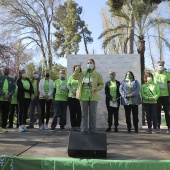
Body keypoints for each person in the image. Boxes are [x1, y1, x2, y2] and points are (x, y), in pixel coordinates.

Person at [72, 58, 104, 133]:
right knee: (84, 114)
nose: (89, 64)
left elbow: (102, 84)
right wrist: (77, 68)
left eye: (91, 63)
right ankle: (84, 130)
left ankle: (92, 130)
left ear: (94, 64)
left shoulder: (98, 75)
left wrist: (97, 88)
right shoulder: (82, 74)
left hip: (94, 97)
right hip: (83, 96)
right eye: (88, 63)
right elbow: (74, 77)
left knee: (92, 115)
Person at [153, 61, 170, 133]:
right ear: (157, 66)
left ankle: (169, 127)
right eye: (159, 65)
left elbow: (169, 85)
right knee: (157, 112)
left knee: (167, 112)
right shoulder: (154, 74)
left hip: (165, 95)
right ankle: (158, 127)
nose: (161, 66)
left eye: (162, 65)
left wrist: (169, 95)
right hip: (157, 96)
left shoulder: (167, 74)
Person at [17, 67, 34, 132]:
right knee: (20, 111)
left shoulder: (28, 80)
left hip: (27, 98)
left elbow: (31, 88)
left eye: (24, 72)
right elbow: (21, 88)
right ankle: (20, 125)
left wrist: (32, 93)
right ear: (20, 73)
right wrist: (29, 91)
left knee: (25, 111)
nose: (24, 73)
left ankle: (24, 125)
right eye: (22, 72)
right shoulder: (19, 80)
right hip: (21, 98)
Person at [0, 66, 15, 132]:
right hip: (0, 99)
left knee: (5, 114)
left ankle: (3, 128)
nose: (7, 70)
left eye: (8, 69)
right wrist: (3, 94)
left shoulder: (11, 80)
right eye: (5, 69)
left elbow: (13, 89)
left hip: (7, 100)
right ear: (3, 70)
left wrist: (8, 94)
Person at [67, 66, 82, 131]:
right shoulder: (71, 77)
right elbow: (68, 85)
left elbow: (82, 85)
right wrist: (73, 91)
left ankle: (78, 126)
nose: (76, 70)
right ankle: (73, 126)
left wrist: (78, 92)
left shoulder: (81, 77)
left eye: (77, 69)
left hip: (79, 97)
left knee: (79, 112)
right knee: (72, 112)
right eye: (75, 69)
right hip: (71, 96)